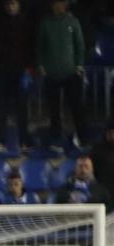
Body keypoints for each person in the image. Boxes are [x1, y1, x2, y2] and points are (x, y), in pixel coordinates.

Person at [36, 0, 87, 148]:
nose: (61, 6)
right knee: (54, 109)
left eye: (63, 3)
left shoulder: (73, 21)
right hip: (51, 74)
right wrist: (41, 65)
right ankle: (56, 138)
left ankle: (82, 137)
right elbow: (40, 46)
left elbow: (79, 44)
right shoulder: (45, 24)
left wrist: (79, 65)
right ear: (52, 5)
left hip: (72, 73)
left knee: (77, 107)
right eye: (58, 3)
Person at [0, 0, 33, 151]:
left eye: (13, 4)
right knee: (2, 109)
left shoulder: (26, 23)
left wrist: (28, 68)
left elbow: (30, 46)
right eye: (8, 4)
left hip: (20, 71)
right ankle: (0, 142)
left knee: (22, 109)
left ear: (19, 5)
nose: (11, 7)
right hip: (3, 71)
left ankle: (25, 142)